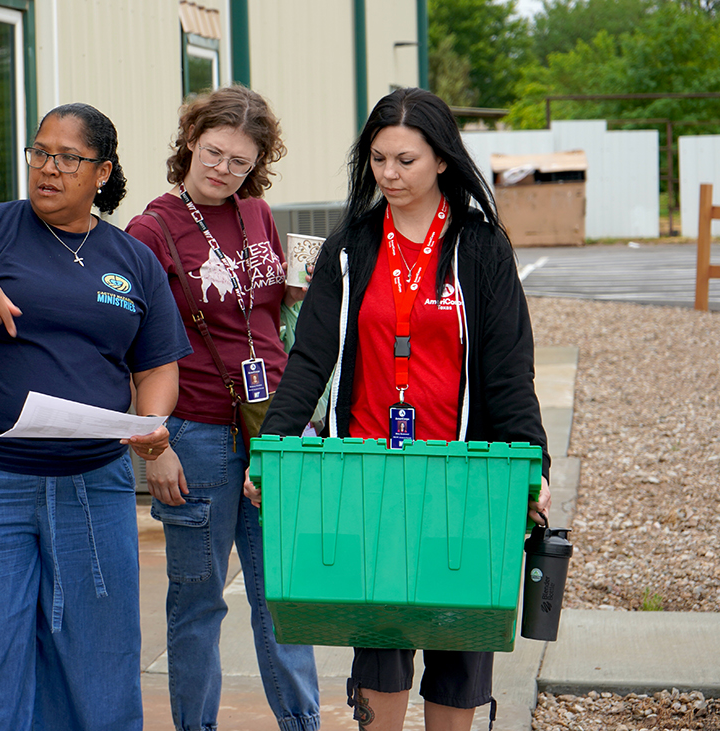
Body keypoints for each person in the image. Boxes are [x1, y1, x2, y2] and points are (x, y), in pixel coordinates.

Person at [255, 87, 553, 731]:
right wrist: (270, 450)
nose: (388, 175)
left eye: (406, 161)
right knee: (381, 636)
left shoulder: (480, 247)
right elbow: (309, 360)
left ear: (443, 160)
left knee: (459, 633)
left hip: (464, 473)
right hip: (371, 470)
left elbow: (508, 371)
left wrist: (536, 464)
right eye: (378, 159)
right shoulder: (350, 246)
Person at [0, 102, 191, 731]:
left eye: (67, 158)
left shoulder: (131, 259)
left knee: (98, 654)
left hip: (94, 483)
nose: (47, 168)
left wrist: (151, 422)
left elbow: (157, 364)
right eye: (39, 153)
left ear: (103, 172)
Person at [125, 85, 322, 731]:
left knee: (284, 599)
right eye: (214, 152)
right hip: (199, 432)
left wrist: (293, 294)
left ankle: (303, 723)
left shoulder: (258, 214)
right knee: (198, 604)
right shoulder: (150, 231)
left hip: (273, 429)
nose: (223, 169)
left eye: (240, 160)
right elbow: (131, 351)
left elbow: (265, 314)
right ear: (189, 139)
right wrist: (156, 444)